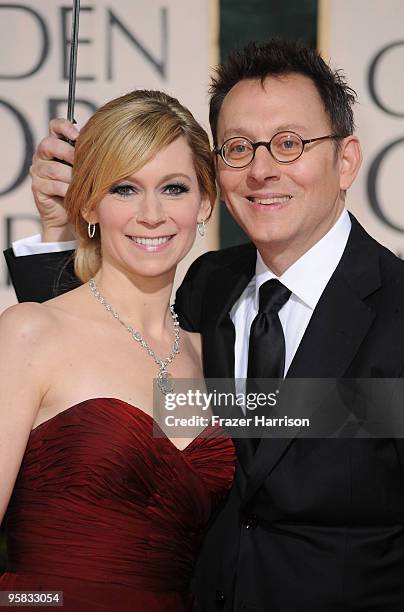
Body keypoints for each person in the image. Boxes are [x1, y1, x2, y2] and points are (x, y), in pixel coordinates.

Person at [5, 38, 404, 611]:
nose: (263, 169)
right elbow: (99, 369)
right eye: (239, 148)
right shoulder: (207, 292)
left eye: (289, 144)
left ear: (345, 160)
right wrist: (60, 233)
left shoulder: (396, 311)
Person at [0, 89, 235, 612]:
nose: (151, 214)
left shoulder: (212, 355)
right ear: (87, 202)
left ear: (205, 203)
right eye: (125, 189)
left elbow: (353, 417)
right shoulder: (31, 332)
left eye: (173, 188)